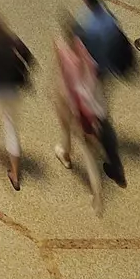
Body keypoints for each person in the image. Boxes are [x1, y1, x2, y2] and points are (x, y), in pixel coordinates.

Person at [73, 0, 132, 186]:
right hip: (109, 71)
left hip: (96, 74)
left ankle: (115, 166)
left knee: (101, 115)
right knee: (101, 110)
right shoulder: (108, 17)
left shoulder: (88, 24)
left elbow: (84, 52)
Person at [54, 19, 105, 213]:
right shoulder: (86, 56)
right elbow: (93, 81)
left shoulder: (61, 48)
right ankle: (65, 153)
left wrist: (60, 96)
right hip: (88, 105)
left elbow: (60, 75)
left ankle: (66, 155)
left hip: (71, 102)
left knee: (79, 142)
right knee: (84, 144)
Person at [0, 13, 33, 193]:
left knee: (6, 124)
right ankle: (14, 172)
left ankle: (15, 174)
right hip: (13, 91)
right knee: (10, 124)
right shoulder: (14, 42)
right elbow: (29, 59)